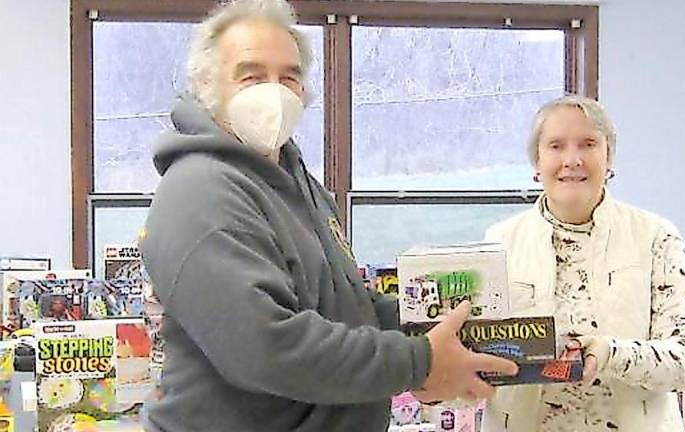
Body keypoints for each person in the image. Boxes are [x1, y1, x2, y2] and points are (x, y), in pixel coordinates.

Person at [138, 1, 519, 431]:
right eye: (251, 76)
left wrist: (444, 328)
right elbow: (267, 348)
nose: (274, 91)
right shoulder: (202, 191)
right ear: (207, 85)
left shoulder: (295, 181)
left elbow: (344, 307)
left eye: (289, 76)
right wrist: (420, 361)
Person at [481, 95, 685, 431]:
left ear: (608, 156)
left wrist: (610, 354)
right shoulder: (498, 243)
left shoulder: (656, 237)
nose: (572, 160)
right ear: (537, 161)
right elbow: (475, 362)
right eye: (556, 146)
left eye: (588, 144)